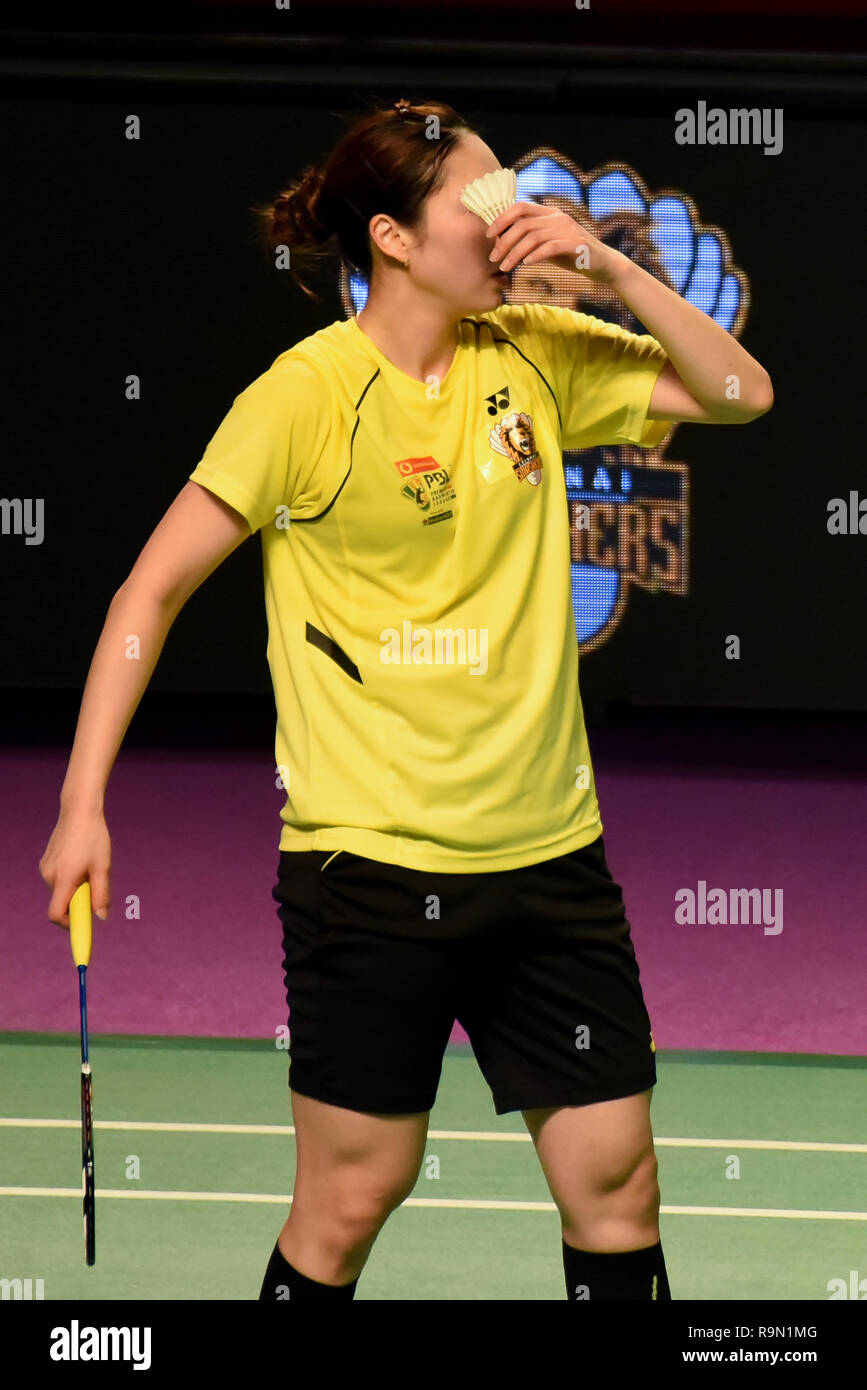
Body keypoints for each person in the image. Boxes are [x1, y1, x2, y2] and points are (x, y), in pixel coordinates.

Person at [38, 96, 773, 1302]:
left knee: (617, 1184)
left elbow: (741, 393)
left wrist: (605, 270)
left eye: (516, 199)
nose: (512, 221)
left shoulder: (537, 350)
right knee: (349, 1196)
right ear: (391, 236)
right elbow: (146, 595)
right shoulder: (306, 395)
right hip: (368, 869)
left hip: (549, 860)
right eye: (482, 204)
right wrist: (82, 803)